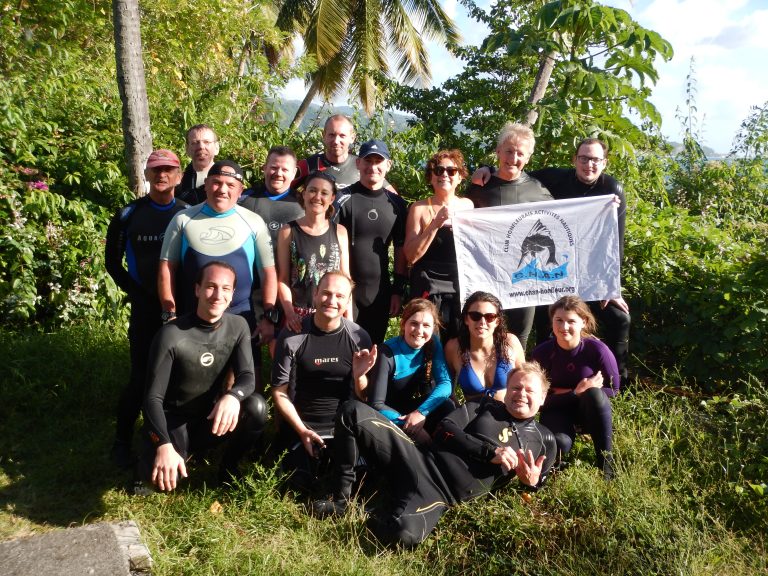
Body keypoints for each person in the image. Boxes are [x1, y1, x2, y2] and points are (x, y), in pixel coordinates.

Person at [312, 362, 557, 547]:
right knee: (352, 410)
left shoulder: (545, 440)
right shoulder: (484, 405)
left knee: (402, 535)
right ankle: (341, 500)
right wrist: (488, 452)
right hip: (417, 457)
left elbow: (538, 482)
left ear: (543, 397)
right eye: (515, 387)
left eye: (529, 390)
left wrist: (532, 482)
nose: (520, 394)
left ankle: (379, 503)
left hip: (440, 494)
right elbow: (444, 430)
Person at [473, 138, 631, 386]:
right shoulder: (555, 178)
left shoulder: (612, 188)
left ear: (604, 163)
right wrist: (487, 168)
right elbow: (515, 171)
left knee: (619, 318)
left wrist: (612, 285)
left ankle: (616, 380)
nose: (589, 164)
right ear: (574, 160)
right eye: (583, 158)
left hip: (591, 271)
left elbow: (615, 243)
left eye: (595, 160)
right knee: (546, 319)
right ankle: (543, 378)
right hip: (554, 271)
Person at [138, 261, 268, 492]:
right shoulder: (171, 334)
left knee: (256, 407)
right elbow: (151, 399)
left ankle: (228, 468)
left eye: (225, 289)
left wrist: (232, 397)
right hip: (173, 421)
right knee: (162, 483)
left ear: (232, 295)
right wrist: (164, 445)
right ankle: (163, 450)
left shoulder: (238, 326)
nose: (218, 295)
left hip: (210, 418)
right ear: (197, 289)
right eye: (211, 286)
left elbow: (247, 376)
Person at [158, 160, 279, 385]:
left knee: (249, 391)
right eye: (216, 183)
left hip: (241, 318)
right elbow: (167, 267)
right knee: (191, 384)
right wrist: (169, 311)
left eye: (229, 184)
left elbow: (268, 272)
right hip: (192, 317)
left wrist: (268, 317)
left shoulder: (253, 222)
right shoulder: (183, 219)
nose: (222, 189)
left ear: (240, 190)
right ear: (206, 186)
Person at [105, 149, 188, 468]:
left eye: (169, 170)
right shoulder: (128, 214)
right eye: (156, 170)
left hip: (180, 310)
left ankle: (170, 442)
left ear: (179, 175)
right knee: (140, 379)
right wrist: (137, 293)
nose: (162, 175)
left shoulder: (187, 212)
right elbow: (112, 263)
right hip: (144, 310)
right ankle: (121, 442)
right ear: (146, 175)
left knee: (179, 380)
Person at [271, 271, 372, 488]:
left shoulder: (359, 337)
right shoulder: (292, 336)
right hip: (302, 427)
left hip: (343, 430)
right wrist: (301, 430)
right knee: (299, 487)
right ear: (315, 294)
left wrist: (360, 377)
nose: (331, 301)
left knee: (363, 483)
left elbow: (364, 398)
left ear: (347, 302)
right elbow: (279, 392)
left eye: (339, 296)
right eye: (326, 293)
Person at [466, 122, 553, 348]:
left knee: (516, 340)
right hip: (486, 274)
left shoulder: (537, 190)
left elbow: (559, 223)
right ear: (498, 151)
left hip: (523, 277)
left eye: (520, 153)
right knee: (484, 336)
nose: (513, 158)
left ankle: (515, 383)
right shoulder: (479, 185)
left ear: (528, 158)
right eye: (509, 151)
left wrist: (604, 207)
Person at [531, 295, 619, 479]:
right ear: (552, 322)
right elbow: (537, 397)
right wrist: (577, 391)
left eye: (571, 321)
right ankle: (555, 467)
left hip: (589, 410)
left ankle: (606, 464)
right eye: (559, 320)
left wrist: (581, 392)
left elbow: (614, 389)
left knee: (595, 394)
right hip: (557, 409)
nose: (564, 327)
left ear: (583, 322)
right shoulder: (542, 353)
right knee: (560, 444)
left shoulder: (598, 350)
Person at [336, 140, 408, 343]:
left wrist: (398, 290)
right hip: (346, 290)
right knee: (344, 348)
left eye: (379, 161)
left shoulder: (397, 205)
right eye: (368, 161)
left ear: (388, 165)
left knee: (373, 349)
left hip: (380, 292)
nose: (373, 167)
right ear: (358, 163)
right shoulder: (342, 198)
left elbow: (401, 247)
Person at [362, 299, 455, 445]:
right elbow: (376, 404)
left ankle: (441, 453)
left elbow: (445, 384)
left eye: (426, 326)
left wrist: (420, 413)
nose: (419, 331)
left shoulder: (433, 342)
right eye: (414, 323)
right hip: (387, 414)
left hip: (411, 411)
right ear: (403, 324)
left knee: (447, 405)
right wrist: (409, 426)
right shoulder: (386, 353)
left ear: (433, 328)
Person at [404, 150, 473, 340]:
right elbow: (411, 255)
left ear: (460, 177)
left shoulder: (468, 206)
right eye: (439, 170)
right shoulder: (419, 208)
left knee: (458, 340)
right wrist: (435, 223)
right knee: (426, 341)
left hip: (459, 284)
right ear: (431, 177)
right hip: (428, 284)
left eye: (451, 171)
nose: (444, 175)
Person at [276, 171, 350, 332]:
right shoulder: (288, 231)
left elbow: (346, 279)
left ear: (332, 199)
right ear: (303, 194)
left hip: (332, 313)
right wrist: (289, 313)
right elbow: (282, 279)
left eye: (324, 193)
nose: (317, 197)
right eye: (312, 190)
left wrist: (349, 320)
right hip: (298, 316)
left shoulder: (340, 231)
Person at [445, 292, 525, 402]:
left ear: (497, 321)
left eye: (489, 317)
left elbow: (526, 383)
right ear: (466, 319)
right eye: (475, 316)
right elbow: (446, 390)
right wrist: (460, 414)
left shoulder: (510, 342)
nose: (482, 322)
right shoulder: (454, 347)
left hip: (507, 415)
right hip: (473, 416)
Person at [293, 115, 394, 194]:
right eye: (331, 135)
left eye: (342, 136)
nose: (336, 141)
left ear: (352, 138)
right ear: (324, 136)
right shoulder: (308, 165)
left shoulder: (361, 165)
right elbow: (281, 190)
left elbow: (392, 196)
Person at [239, 145, 304, 247]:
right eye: (274, 168)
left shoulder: (304, 204)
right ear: (264, 168)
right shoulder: (243, 199)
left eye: (285, 170)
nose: (278, 173)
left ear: (294, 173)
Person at [178, 124, 219, 205]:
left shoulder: (229, 182)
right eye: (195, 143)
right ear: (187, 149)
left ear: (216, 147)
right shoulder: (178, 183)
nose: (201, 147)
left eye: (206, 142)